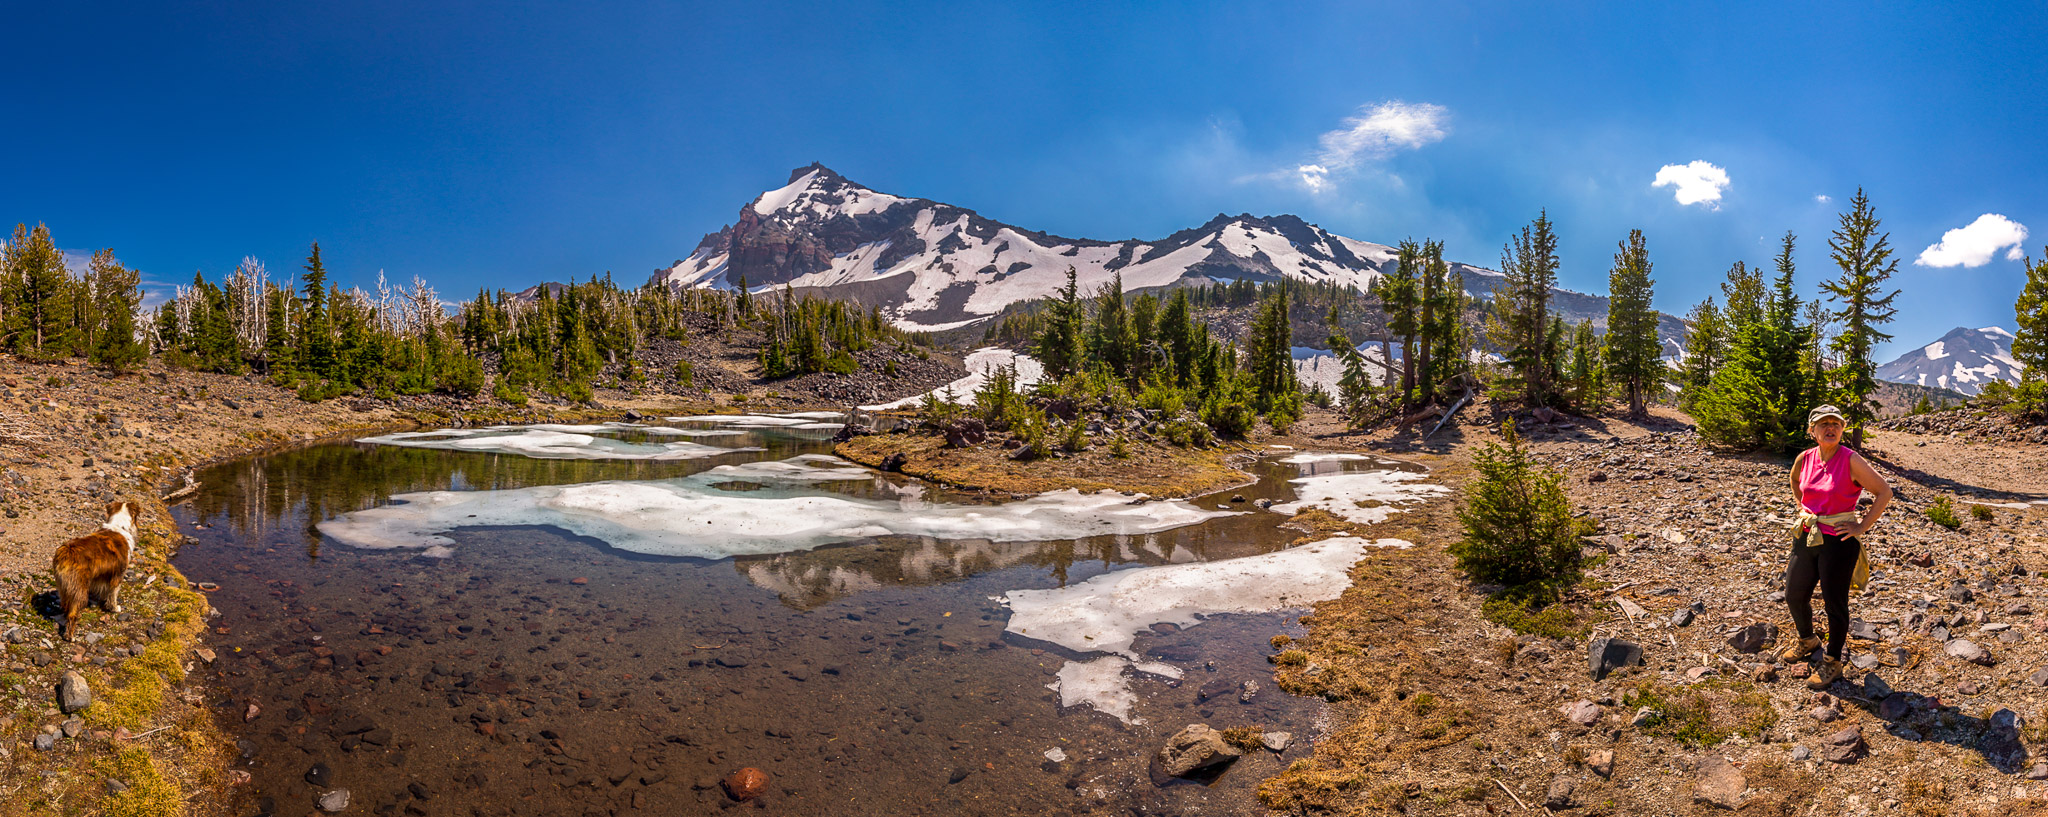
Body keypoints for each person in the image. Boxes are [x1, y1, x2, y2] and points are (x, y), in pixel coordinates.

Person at [1778, 405, 1893, 689]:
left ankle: (1832, 662)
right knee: (1794, 593)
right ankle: (1808, 639)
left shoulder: (1851, 460)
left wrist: (1861, 526)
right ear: (1812, 431)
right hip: (1807, 533)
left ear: (1842, 429)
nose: (1830, 428)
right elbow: (1795, 481)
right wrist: (1804, 507)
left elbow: (1884, 492)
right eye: (1823, 424)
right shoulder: (1804, 458)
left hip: (1839, 540)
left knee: (1835, 605)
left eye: (1836, 424)